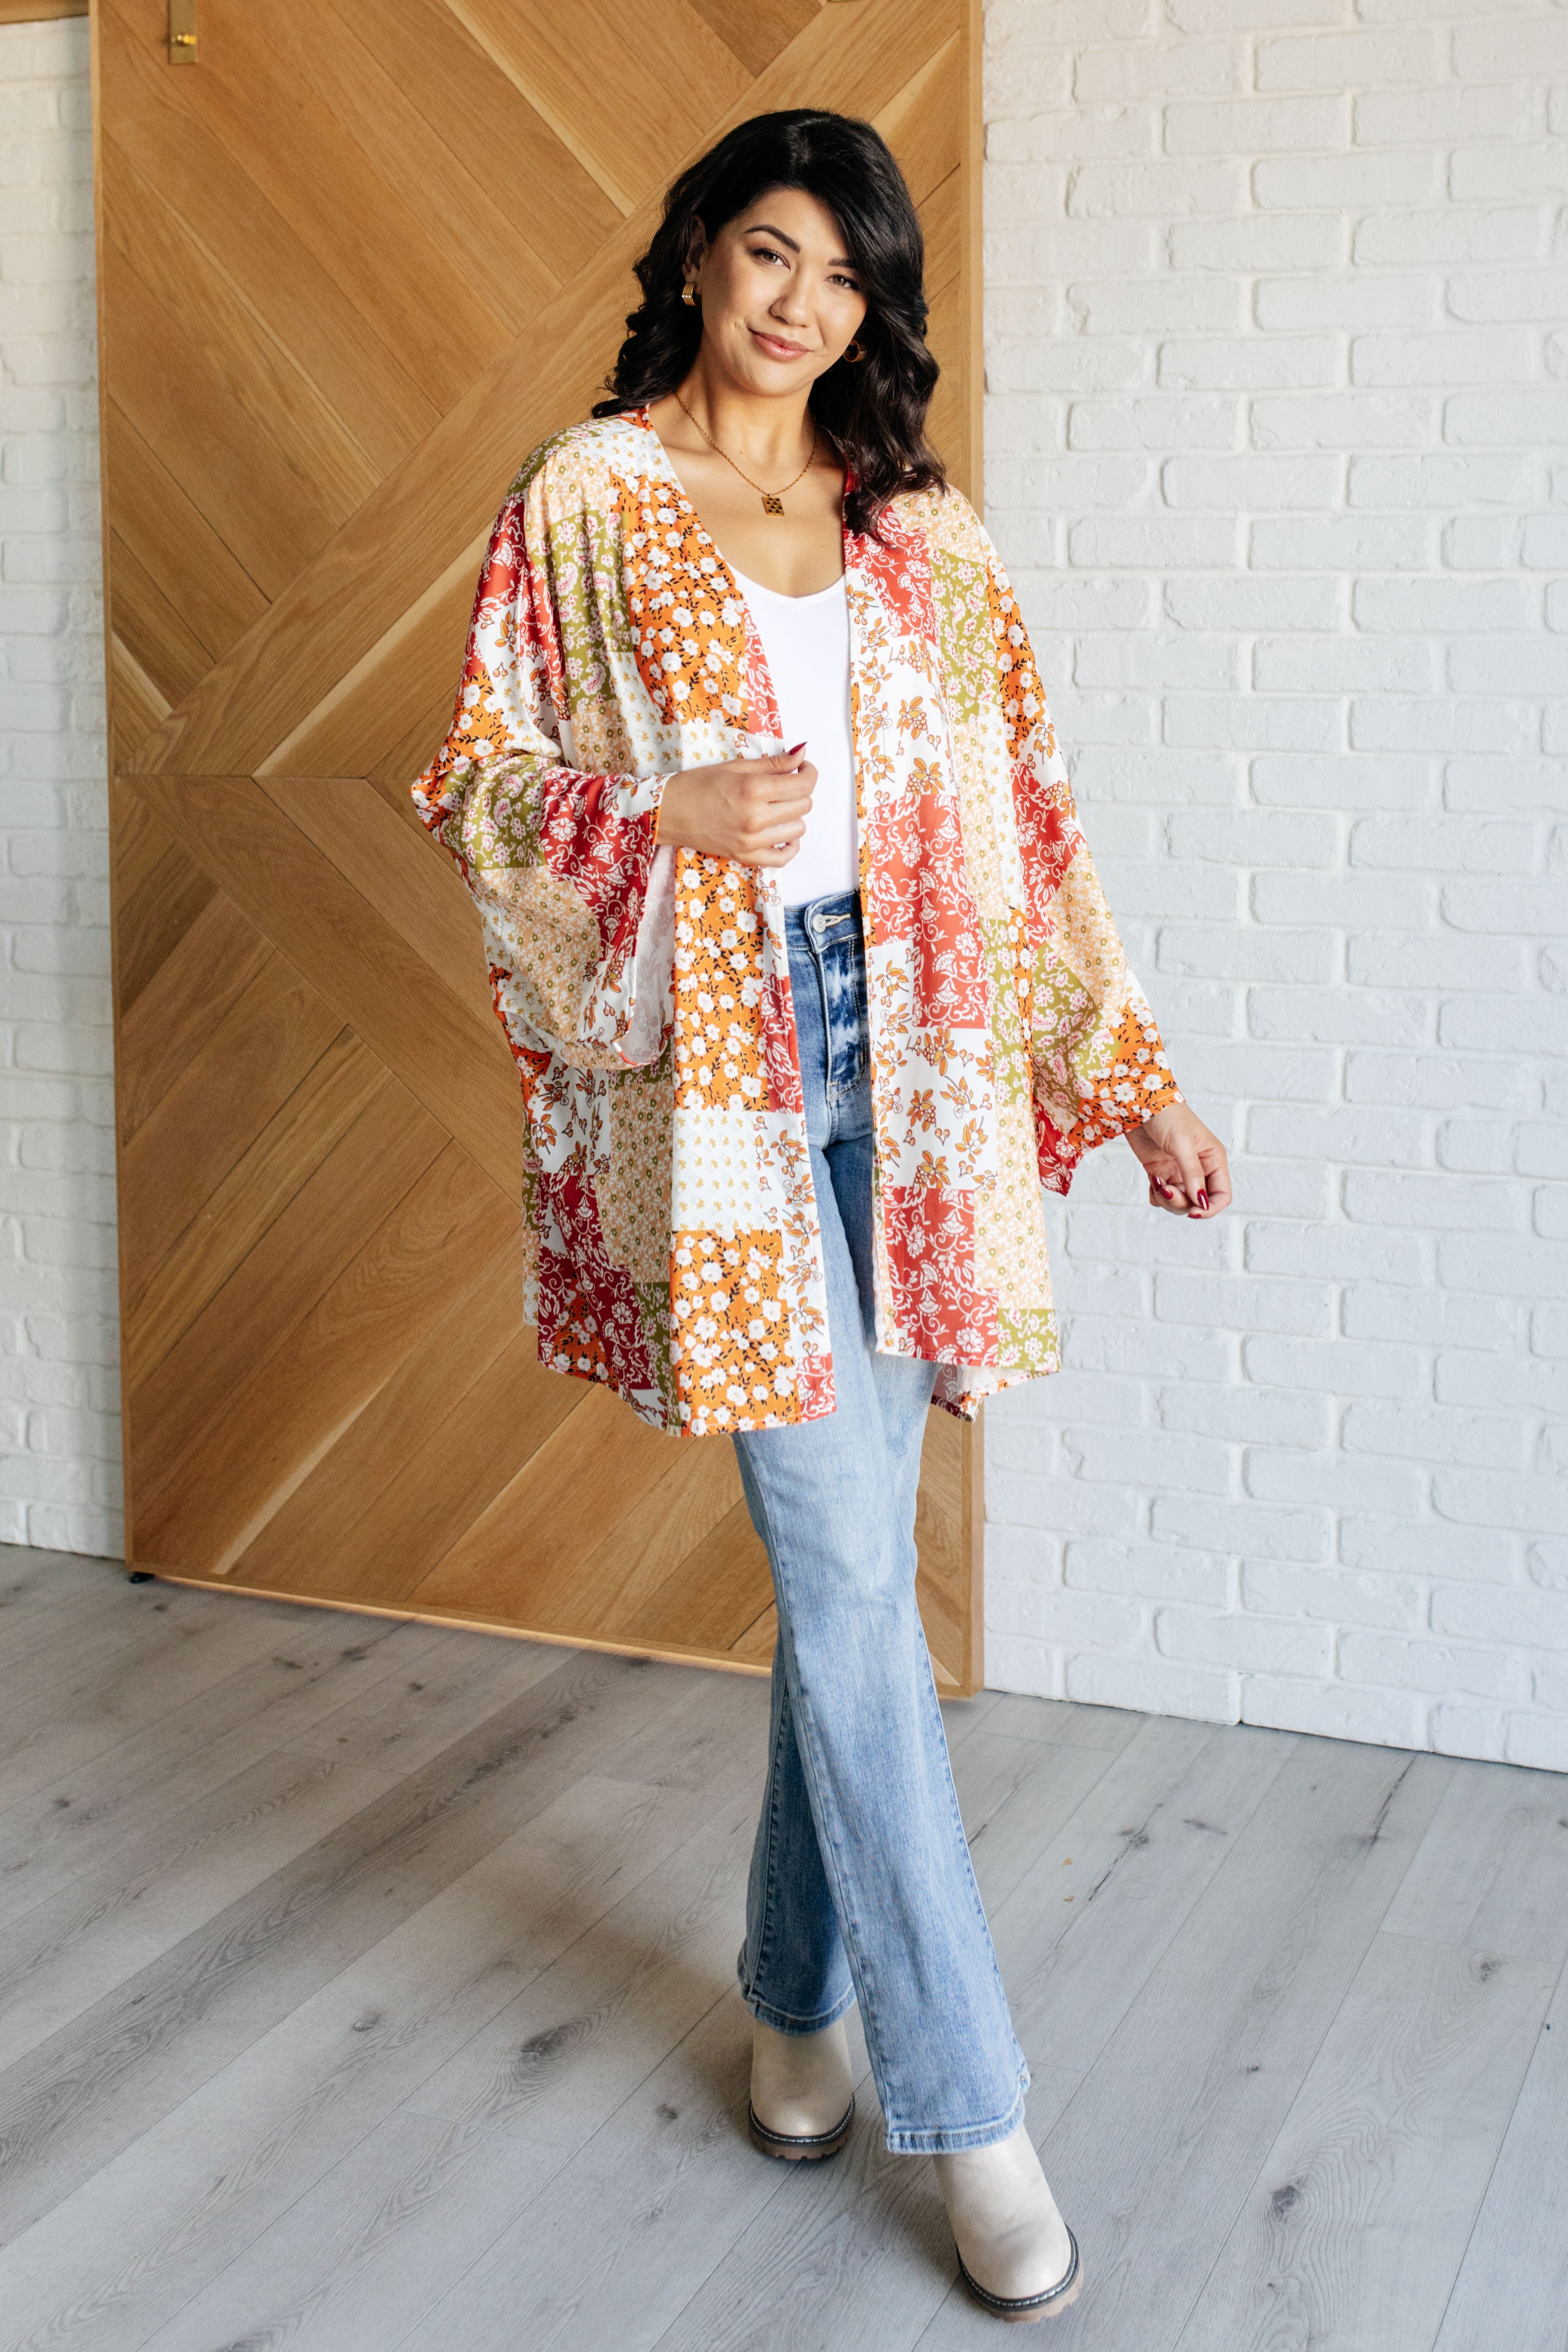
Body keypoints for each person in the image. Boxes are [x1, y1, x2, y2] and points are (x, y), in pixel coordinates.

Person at [414, 108, 1230, 2324]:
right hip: (733, 1080)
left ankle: (791, 1996)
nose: (797, 304)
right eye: (766, 252)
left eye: (843, 276)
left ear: (873, 308)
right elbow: (477, 782)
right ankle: (968, 2109)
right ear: (692, 253)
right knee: (855, 1587)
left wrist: (1127, 1079)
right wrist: (650, 807)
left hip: (933, 1065)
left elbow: (1026, 817)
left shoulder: (916, 526)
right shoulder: (582, 505)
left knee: (847, 1578)